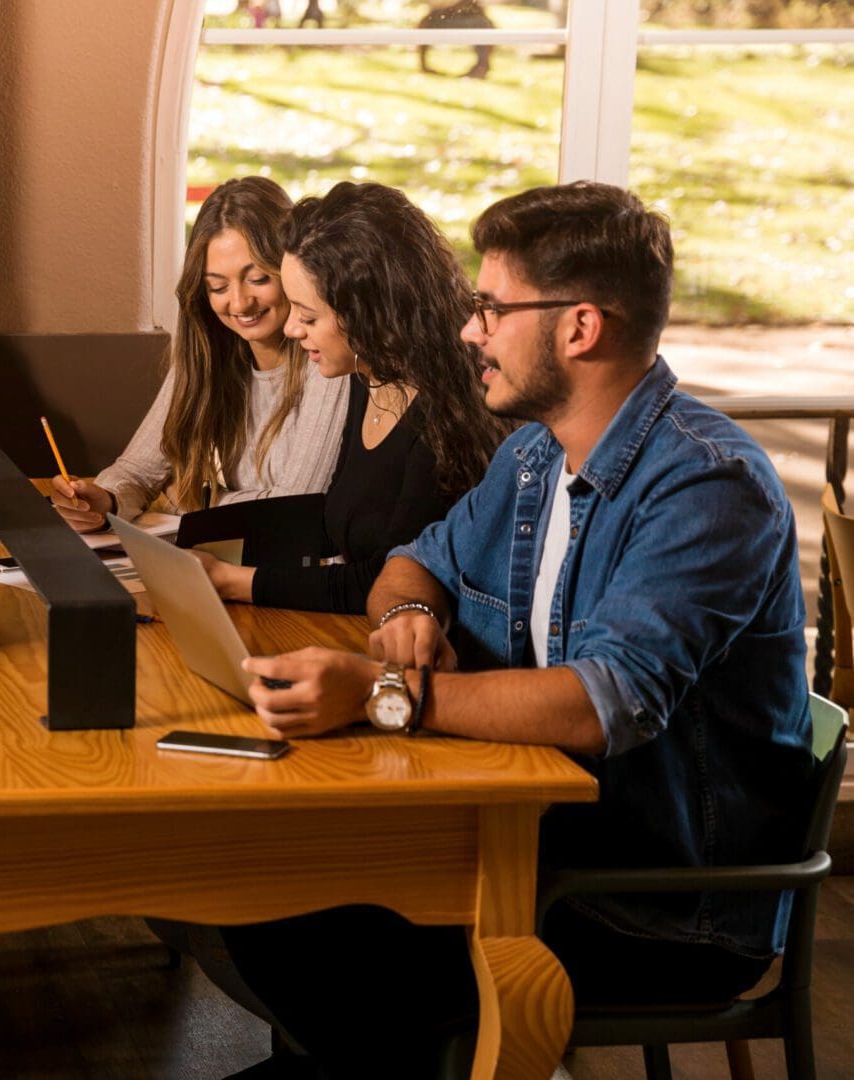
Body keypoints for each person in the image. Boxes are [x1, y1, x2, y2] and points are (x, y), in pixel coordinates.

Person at [217, 182, 816, 1077]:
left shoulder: (708, 486)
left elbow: (600, 705)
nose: (469, 332)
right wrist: (414, 611)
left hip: (648, 906)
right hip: (535, 840)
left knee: (308, 937)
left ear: (579, 328)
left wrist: (384, 695)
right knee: (266, 904)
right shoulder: (536, 453)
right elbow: (414, 560)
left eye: (491, 309)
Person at [195, 182, 506, 614]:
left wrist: (231, 580)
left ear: (367, 314)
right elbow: (328, 523)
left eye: (307, 315)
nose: (291, 329)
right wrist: (189, 539)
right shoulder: (368, 379)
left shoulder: (444, 419)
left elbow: (385, 581)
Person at [49, 176, 349, 531]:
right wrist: (105, 499)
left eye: (258, 279)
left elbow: (297, 506)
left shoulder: (327, 358)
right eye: (218, 286)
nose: (239, 303)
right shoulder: (211, 348)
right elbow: (137, 470)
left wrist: (199, 501)